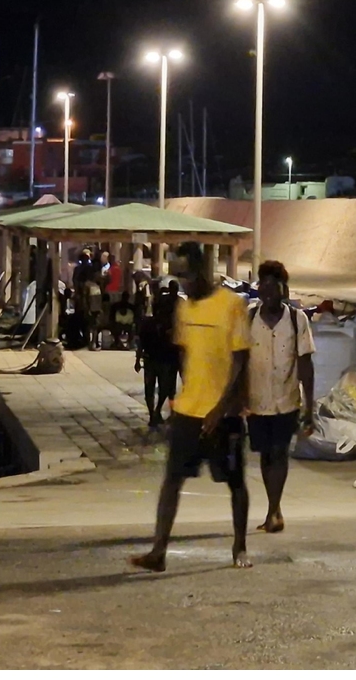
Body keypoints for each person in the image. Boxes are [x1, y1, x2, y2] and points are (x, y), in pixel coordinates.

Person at [130, 242, 252, 572]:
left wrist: (222, 408)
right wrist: (180, 402)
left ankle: (239, 546)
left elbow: (241, 362)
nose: (182, 283)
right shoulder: (186, 309)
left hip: (222, 415)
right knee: (172, 480)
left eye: (186, 275)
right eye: (179, 276)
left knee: (235, 481)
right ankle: (158, 551)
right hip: (188, 410)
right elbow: (187, 356)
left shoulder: (232, 305)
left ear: (202, 271)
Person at [244, 260, 315, 534]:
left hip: (286, 400)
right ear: (259, 288)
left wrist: (309, 408)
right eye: (265, 285)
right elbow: (239, 360)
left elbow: (306, 367)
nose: (270, 291)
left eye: (276, 286)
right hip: (257, 400)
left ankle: (274, 510)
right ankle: (273, 509)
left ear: (284, 290)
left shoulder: (298, 321)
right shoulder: (248, 318)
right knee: (264, 454)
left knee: (279, 452)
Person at [135, 297, 179, 428]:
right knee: (157, 388)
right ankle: (154, 413)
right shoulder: (154, 324)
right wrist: (138, 359)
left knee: (160, 388)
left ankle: (156, 411)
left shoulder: (167, 324)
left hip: (159, 359)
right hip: (156, 359)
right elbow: (141, 343)